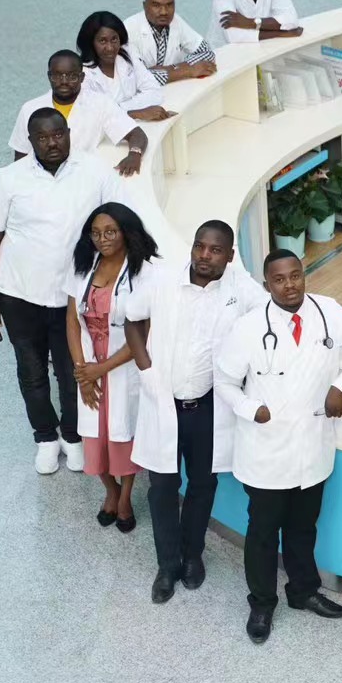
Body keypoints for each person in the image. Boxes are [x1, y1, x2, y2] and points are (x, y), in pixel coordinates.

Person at [213, 250, 342, 644]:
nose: (290, 285)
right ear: (266, 284)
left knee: (303, 527)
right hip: (266, 447)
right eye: (280, 279)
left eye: (296, 276)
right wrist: (251, 409)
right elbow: (225, 382)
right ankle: (262, 604)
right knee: (263, 532)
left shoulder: (327, 311)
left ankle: (303, 591)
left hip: (312, 445)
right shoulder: (250, 327)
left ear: (304, 275)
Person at [0, 109, 129, 474]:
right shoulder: (6, 179)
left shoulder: (95, 171)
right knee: (31, 370)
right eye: (43, 137)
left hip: (71, 296)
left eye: (58, 134)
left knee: (71, 369)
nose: (52, 143)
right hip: (19, 294)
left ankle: (73, 436)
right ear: (30, 141)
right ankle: (45, 437)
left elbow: (120, 221)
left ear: (68, 133)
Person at [125, 221, 267, 604]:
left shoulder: (240, 287)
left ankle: (193, 556)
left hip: (208, 406)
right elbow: (132, 320)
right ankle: (167, 565)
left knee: (203, 485)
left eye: (215, 250)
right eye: (199, 247)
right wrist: (146, 370)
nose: (204, 256)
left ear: (230, 256)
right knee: (162, 487)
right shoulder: (162, 278)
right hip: (164, 402)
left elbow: (272, 314)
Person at [66, 203, 159, 533]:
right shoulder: (83, 266)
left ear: (126, 233)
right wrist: (83, 372)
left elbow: (143, 334)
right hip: (89, 363)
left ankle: (125, 497)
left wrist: (100, 369)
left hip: (122, 364)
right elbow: (72, 321)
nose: (102, 239)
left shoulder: (144, 272)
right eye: (95, 233)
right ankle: (111, 491)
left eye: (110, 232)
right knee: (94, 436)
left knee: (123, 434)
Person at [6, 50, 148, 176]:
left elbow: (136, 134)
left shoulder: (100, 103)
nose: (64, 82)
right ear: (49, 76)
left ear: (82, 77)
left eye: (72, 76)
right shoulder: (30, 108)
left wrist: (134, 154)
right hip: (41, 179)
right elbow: (21, 154)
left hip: (83, 178)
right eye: (57, 76)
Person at [76, 11, 174, 122]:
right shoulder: (82, 74)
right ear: (91, 43)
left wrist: (120, 109)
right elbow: (92, 116)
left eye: (114, 39)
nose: (110, 48)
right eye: (102, 41)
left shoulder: (127, 53)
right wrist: (136, 113)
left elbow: (154, 92)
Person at [124, 0, 217, 85]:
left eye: (169, 5)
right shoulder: (128, 29)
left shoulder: (176, 21)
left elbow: (207, 53)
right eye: (156, 5)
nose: (164, 12)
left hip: (174, 89)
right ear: (145, 6)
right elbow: (137, 78)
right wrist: (187, 70)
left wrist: (173, 68)